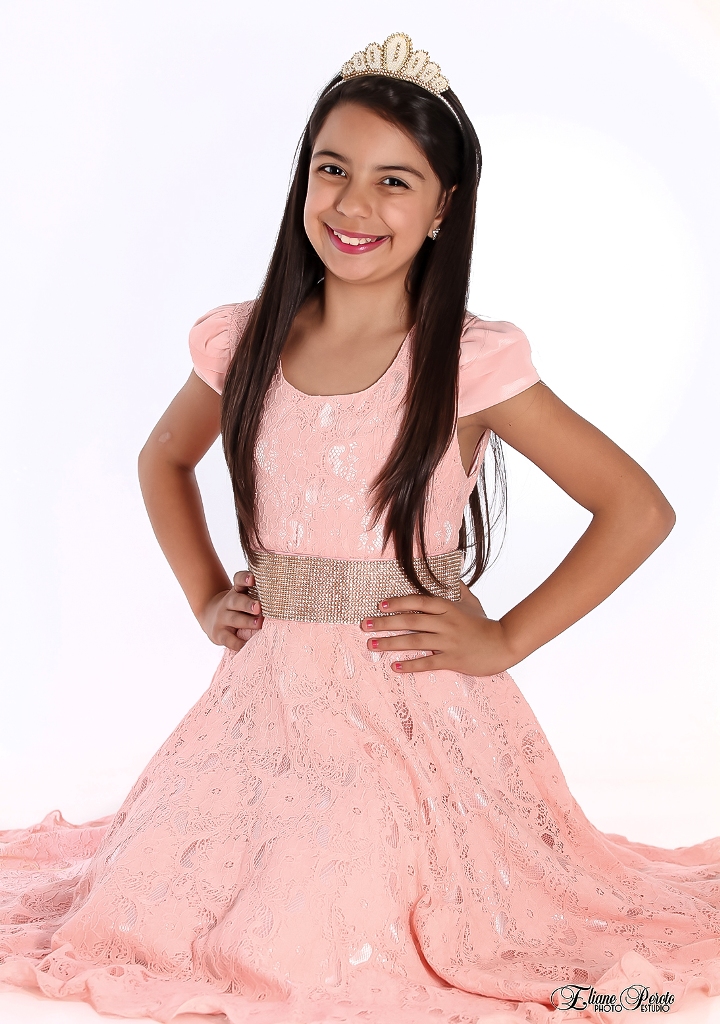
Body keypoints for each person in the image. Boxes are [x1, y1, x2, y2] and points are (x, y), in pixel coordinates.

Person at [1, 31, 719, 1024]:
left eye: (394, 181)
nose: (353, 204)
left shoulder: (465, 361)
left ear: (443, 208)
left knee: (329, 915)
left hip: (409, 712)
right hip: (264, 709)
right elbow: (162, 460)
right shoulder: (246, 339)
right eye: (333, 169)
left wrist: (504, 637)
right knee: (157, 905)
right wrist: (207, 593)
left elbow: (637, 508)